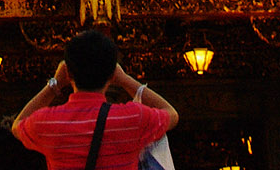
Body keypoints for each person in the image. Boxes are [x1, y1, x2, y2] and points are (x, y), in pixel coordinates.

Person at [13, 27, 179, 170]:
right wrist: (125, 79)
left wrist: (54, 85)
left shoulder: (47, 122)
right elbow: (171, 113)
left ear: (68, 72)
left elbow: (17, 126)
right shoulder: (133, 118)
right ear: (112, 73)